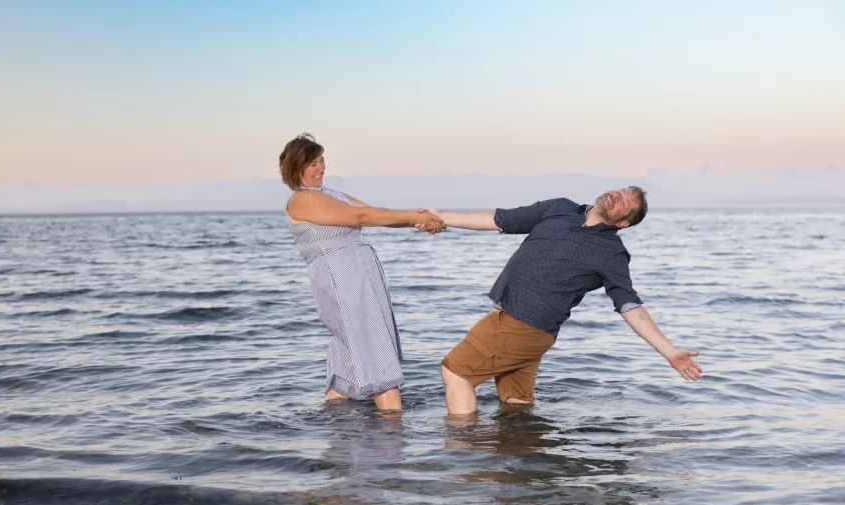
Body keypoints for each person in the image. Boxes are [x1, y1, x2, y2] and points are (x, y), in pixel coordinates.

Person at [426, 187, 703, 415]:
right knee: (516, 404)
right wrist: (443, 218)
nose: (617, 196)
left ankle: (461, 453)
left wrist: (669, 351)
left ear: (623, 223)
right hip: (533, 334)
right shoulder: (558, 208)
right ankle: (520, 455)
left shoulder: (611, 253)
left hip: (521, 325)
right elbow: (501, 219)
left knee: (457, 373)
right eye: (621, 191)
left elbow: (629, 305)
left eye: (625, 203)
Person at [281, 133, 444, 411]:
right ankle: (393, 431)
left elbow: (374, 212)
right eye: (313, 163)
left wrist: (418, 222)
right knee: (375, 351)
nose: (321, 168)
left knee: (352, 356)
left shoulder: (330, 194)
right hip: (341, 278)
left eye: (322, 161)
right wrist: (417, 217)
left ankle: (338, 423)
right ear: (296, 166)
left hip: (358, 275)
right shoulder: (301, 199)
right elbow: (361, 217)